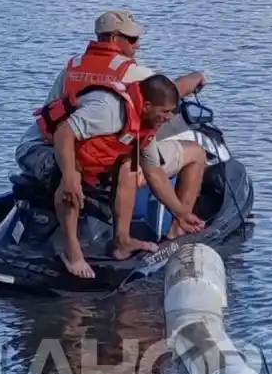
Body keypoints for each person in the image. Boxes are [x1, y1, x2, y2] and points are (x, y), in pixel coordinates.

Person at [16, 10, 210, 248]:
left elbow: (52, 112)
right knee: (190, 153)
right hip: (70, 152)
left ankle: (122, 237)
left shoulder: (72, 67)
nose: (137, 45)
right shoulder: (134, 76)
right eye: (132, 39)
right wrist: (198, 77)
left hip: (40, 148)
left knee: (131, 159)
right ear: (113, 38)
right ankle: (175, 233)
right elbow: (169, 91)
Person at [36, 72, 191, 279]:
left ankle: (122, 242)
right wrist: (69, 176)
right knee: (72, 179)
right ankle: (71, 253)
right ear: (145, 106)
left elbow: (154, 172)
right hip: (43, 146)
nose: (170, 117)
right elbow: (63, 133)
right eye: (165, 112)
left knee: (130, 168)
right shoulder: (110, 111)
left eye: (172, 112)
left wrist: (181, 213)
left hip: (80, 148)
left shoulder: (145, 125)